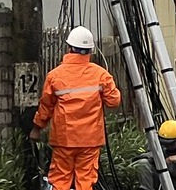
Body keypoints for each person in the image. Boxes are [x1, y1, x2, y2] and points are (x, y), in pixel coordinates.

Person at [30, 26, 122, 190]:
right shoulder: (101, 74)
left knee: (60, 180)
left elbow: (46, 106)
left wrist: (37, 128)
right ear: (90, 51)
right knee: (85, 182)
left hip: (64, 139)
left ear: (69, 48)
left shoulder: (55, 75)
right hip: (90, 139)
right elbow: (114, 102)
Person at [139, 119, 176, 190]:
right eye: (165, 143)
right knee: (143, 163)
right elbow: (146, 154)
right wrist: (158, 158)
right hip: (163, 175)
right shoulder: (158, 141)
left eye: (171, 143)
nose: (168, 146)